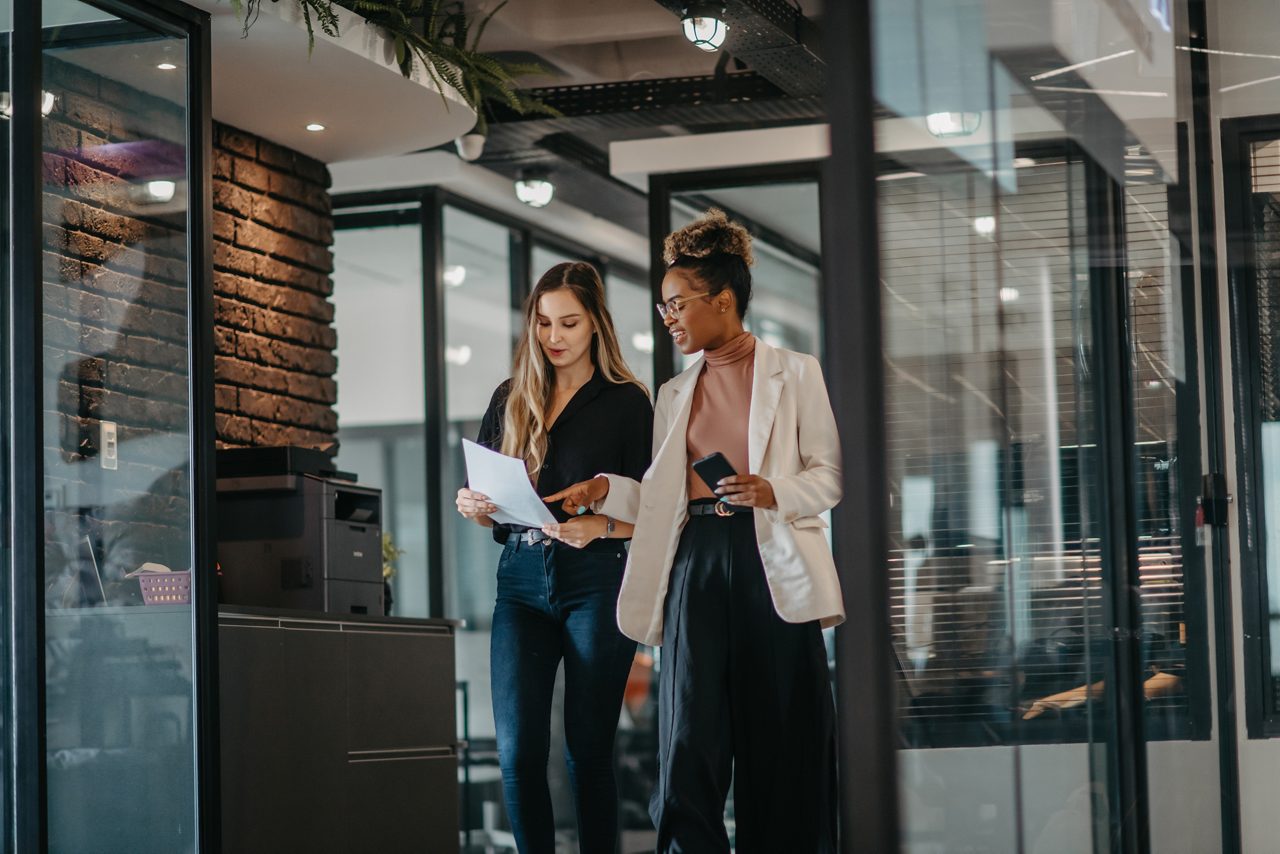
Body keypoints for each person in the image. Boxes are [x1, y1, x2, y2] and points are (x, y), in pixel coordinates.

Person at [546, 210, 844, 853]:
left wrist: (774, 490)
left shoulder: (796, 372)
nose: (669, 317)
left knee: (784, 738)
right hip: (695, 561)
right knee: (688, 740)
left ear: (724, 300)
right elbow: (662, 497)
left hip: (773, 558)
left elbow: (829, 476)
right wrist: (605, 489)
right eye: (663, 308)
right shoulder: (675, 392)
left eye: (678, 303)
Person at [455, 262, 653, 854]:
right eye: (543, 323)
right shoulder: (510, 398)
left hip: (596, 578)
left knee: (588, 749)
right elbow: (497, 505)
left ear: (596, 323)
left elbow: (654, 507)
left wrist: (600, 525)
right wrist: (476, 507)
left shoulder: (627, 403)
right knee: (518, 752)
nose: (554, 336)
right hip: (519, 579)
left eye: (568, 322)